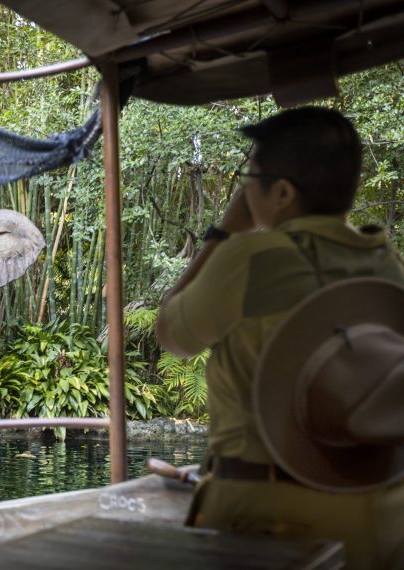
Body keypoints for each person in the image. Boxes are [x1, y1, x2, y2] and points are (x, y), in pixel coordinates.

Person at [155, 106, 404, 569]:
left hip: (267, 517)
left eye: (250, 176)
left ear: (284, 192)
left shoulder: (252, 258)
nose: (245, 188)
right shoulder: (388, 263)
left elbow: (171, 334)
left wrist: (225, 230)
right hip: (381, 519)